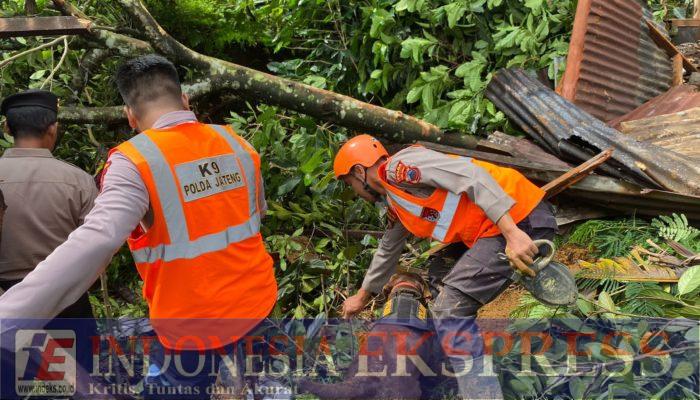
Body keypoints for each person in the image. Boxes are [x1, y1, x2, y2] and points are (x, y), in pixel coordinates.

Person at [0, 55, 278, 397]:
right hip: (258, 303)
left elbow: (98, 238)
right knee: (254, 384)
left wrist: (9, 315)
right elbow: (254, 214)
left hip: (191, 326)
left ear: (130, 115)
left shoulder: (135, 161)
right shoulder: (237, 143)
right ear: (185, 100)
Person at [333, 134, 558, 399]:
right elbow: (388, 249)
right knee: (439, 274)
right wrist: (361, 297)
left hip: (518, 218)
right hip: (490, 230)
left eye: (351, 185)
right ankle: (450, 361)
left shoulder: (400, 169)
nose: (357, 194)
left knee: (449, 310)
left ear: (359, 171)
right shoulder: (395, 200)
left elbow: (472, 177)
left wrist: (512, 233)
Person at [0, 90, 97, 318]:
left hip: (4, 301)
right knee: (75, 355)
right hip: (64, 302)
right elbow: (97, 248)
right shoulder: (79, 181)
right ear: (52, 128)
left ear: (7, 127)